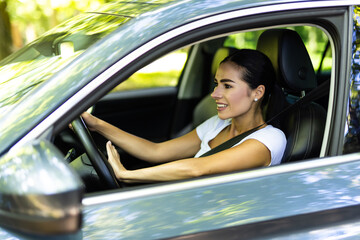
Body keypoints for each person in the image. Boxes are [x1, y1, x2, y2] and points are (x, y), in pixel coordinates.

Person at [81, 49, 287, 183]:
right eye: (216, 84)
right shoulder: (216, 124)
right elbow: (156, 151)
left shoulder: (270, 139)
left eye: (227, 86)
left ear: (257, 93)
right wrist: (97, 125)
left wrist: (126, 175)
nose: (215, 94)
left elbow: (199, 169)